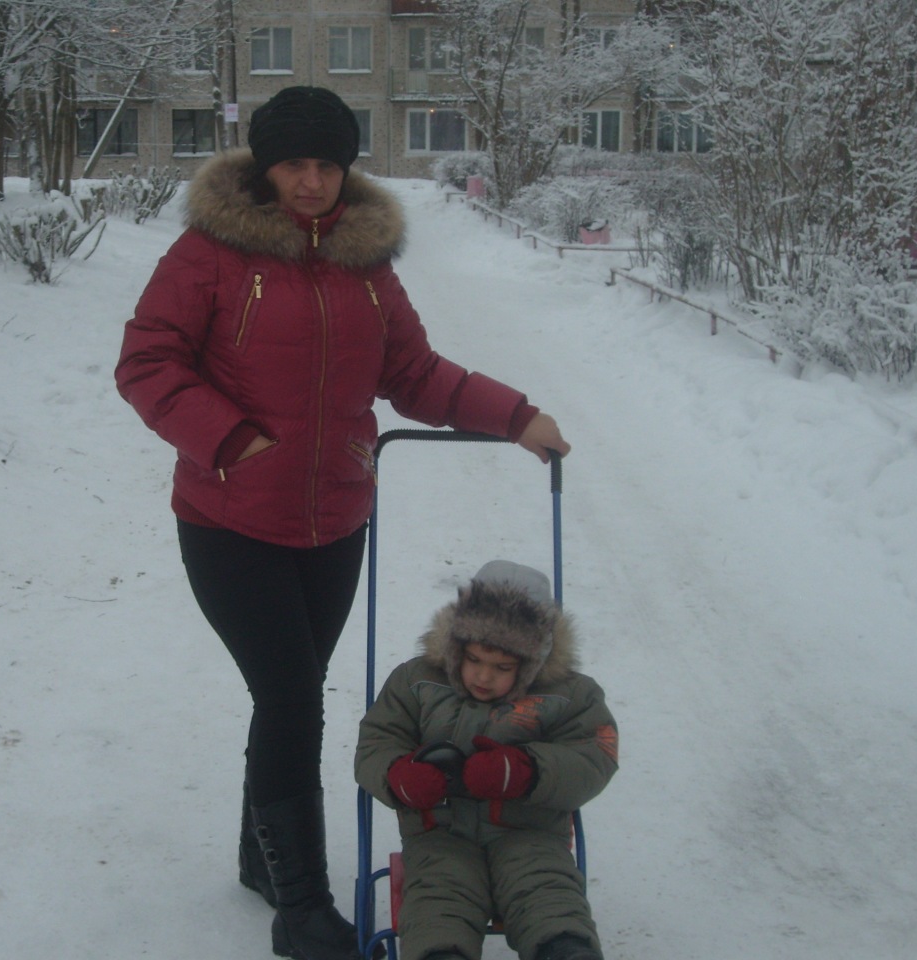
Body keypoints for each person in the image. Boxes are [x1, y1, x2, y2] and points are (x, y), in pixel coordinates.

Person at [115, 85, 571, 960]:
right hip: (229, 520)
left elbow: (415, 373)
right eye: (294, 164)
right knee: (291, 696)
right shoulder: (211, 252)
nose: (311, 181)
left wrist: (515, 418)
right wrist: (231, 439)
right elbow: (147, 361)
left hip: (334, 524)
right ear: (265, 167)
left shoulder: (365, 263)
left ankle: (261, 859)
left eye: (327, 164)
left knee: (288, 695)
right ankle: (302, 907)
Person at [355, 561, 618, 960]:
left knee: (545, 890)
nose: (483, 677)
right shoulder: (417, 681)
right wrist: (398, 776)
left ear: (533, 663)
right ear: (456, 645)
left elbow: (594, 755)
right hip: (440, 834)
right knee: (439, 898)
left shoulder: (569, 696)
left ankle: (565, 949)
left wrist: (527, 770)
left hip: (530, 831)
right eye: (474, 659)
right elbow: (377, 740)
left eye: (502, 668)